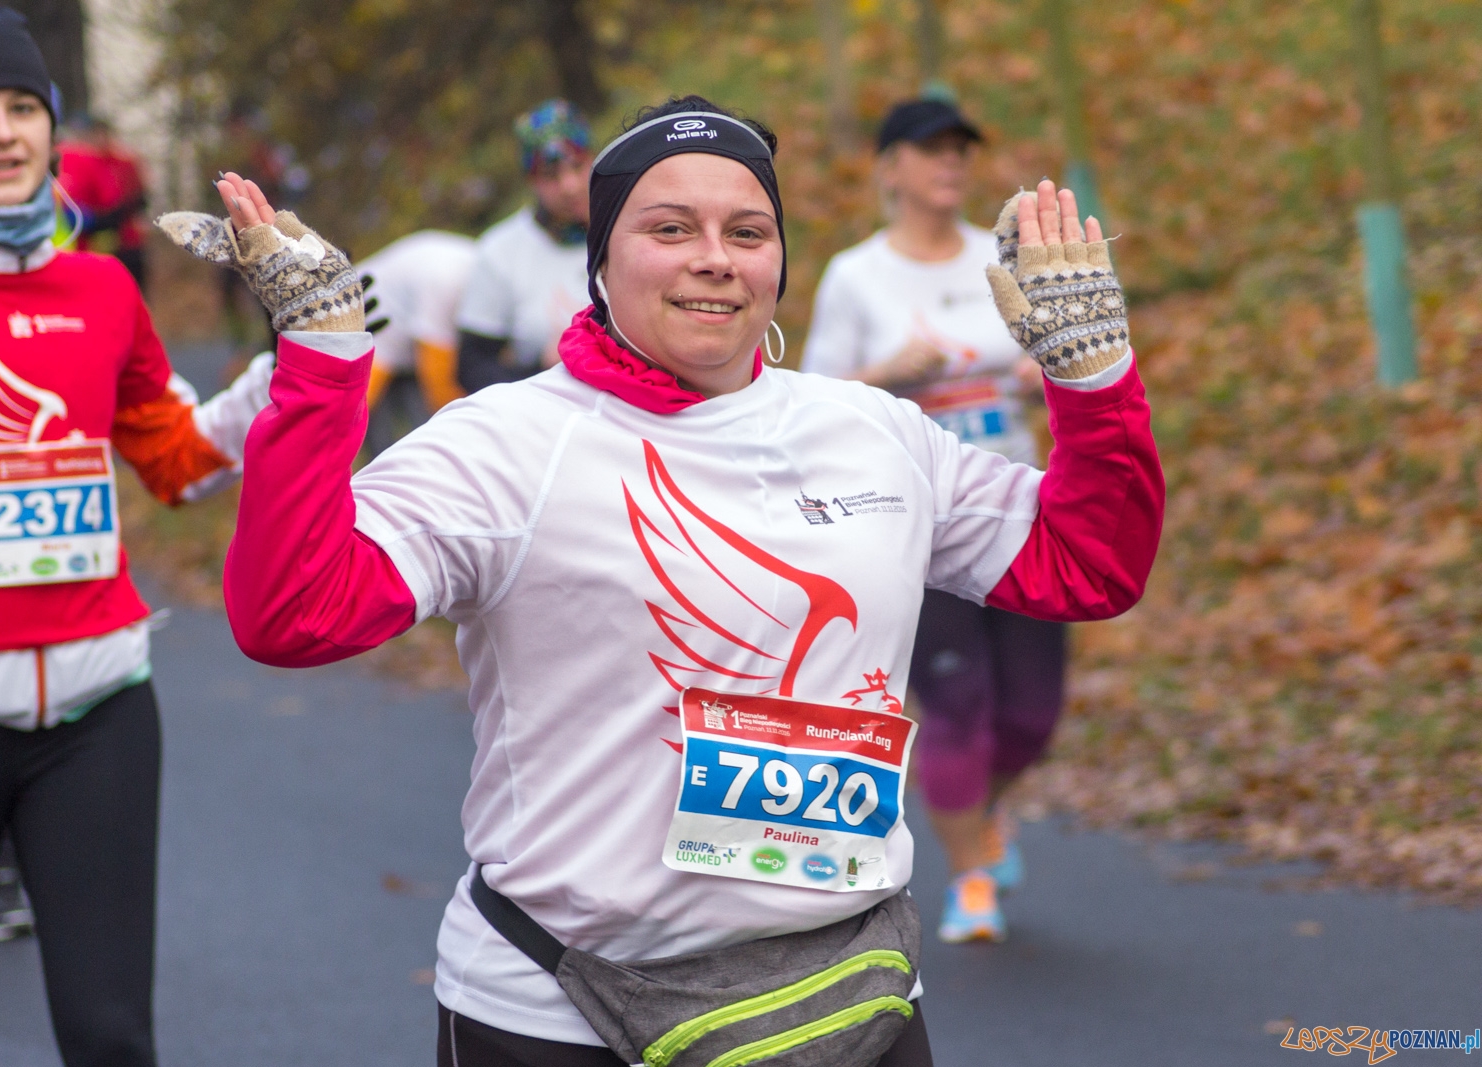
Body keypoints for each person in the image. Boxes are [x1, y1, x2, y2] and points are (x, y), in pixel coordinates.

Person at [160, 92, 1161, 1066]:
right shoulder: (508, 442)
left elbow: (1087, 563)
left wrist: (1091, 377)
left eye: (748, 229)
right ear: (602, 257)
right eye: (669, 226)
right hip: (560, 1008)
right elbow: (293, 612)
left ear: (779, 257)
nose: (714, 258)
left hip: (847, 994)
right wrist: (323, 363)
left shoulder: (872, 430)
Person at [0, 11, 274, 1066]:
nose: (3, 133)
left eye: (23, 108)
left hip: (96, 711)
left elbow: (175, 458)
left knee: (110, 1035)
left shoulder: (100, 289)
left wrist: (286, 370)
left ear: (54, 130)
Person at [802, 96, 1069, 944]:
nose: (950, 163)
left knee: (1031, 715)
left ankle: (984, 806)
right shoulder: (857, 274)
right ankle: (973, 879)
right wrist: (885, 372)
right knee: (957, 707)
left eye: (960, 149)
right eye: (931, 150)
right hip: (914, 521)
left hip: (1019, 509)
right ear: (890, 169)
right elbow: (810, 406)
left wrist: (1044, 371)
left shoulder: (1002, 264)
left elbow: (1065, 349)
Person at [454, 99, 590, 393]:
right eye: (552, 176)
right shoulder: (500, 252)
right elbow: (472, 369)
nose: (570, 186)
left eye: (578, 167)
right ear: (532, 179)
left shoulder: (627, 227)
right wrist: (542, 369)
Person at [357, 228, 477, 455]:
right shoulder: (446, 279)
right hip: (368, 340)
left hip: (404, 347)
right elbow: (437, 381)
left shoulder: (481, 269)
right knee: (354, 434)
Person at [56, 112, 149, 288]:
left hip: (123, 244)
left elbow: (135, 198)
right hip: (84, 249)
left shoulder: (123, 162)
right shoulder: (72, 159)